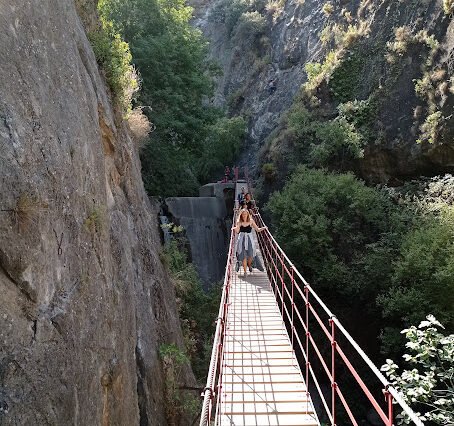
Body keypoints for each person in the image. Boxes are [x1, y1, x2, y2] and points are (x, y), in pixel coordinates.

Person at [233, 209, 267, 276]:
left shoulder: (251, 221)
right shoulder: (239, 221)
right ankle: (245, 272)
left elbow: (257, 230)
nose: (244, 215)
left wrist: (264, 228)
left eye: (245, 214)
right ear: (241, 215)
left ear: (248, 214)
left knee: (251, 255)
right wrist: (234, 228)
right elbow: (237, 231)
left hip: (249, 239)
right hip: (241, 240)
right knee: (243, 256)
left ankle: (249, 265)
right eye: (243, 214)